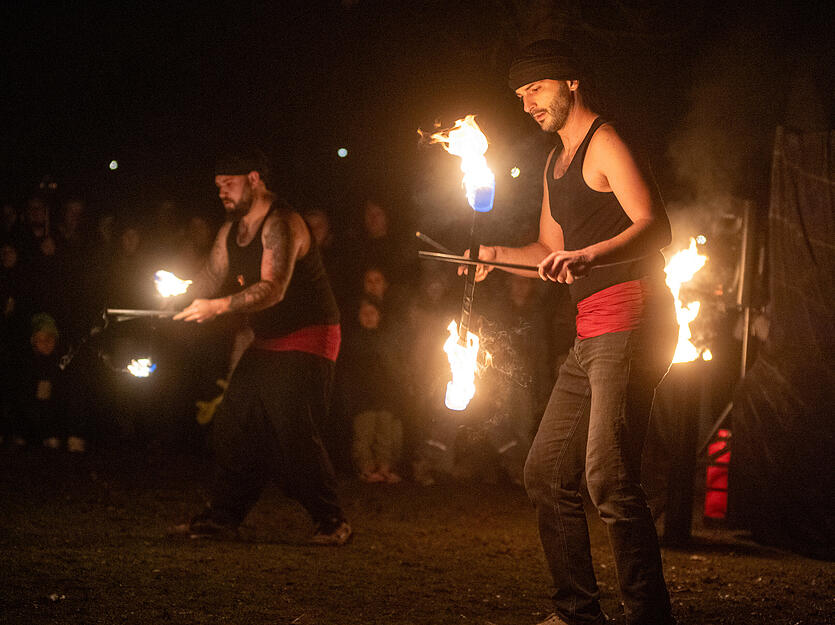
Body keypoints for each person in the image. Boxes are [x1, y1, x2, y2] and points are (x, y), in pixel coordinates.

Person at [464, 40, 679, 625]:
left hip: (632, 318)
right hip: (591, 331)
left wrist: (590, 257)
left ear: (571, 82)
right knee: (546, 473)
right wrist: (493, 253)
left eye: (535, 89)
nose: (527, 104)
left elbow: (653, 225)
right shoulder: (553, 162)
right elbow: (548, 250)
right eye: (519, 95)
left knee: (607, 476)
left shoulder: (603, 141)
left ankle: (649, 614)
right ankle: (578, 612)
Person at [170, 149, 351, 546]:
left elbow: (273, 290)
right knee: (234, 423)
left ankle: (331, 520)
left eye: (229, 184)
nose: (221, 193)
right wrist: (176, 299)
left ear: (254, 179)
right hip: (268, 340)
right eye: (218, 186)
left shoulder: (282, 224)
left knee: (292, 429)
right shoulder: (231, 231)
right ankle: (222, 518)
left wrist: (217, 307)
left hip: (310, 336)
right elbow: (212, 274)